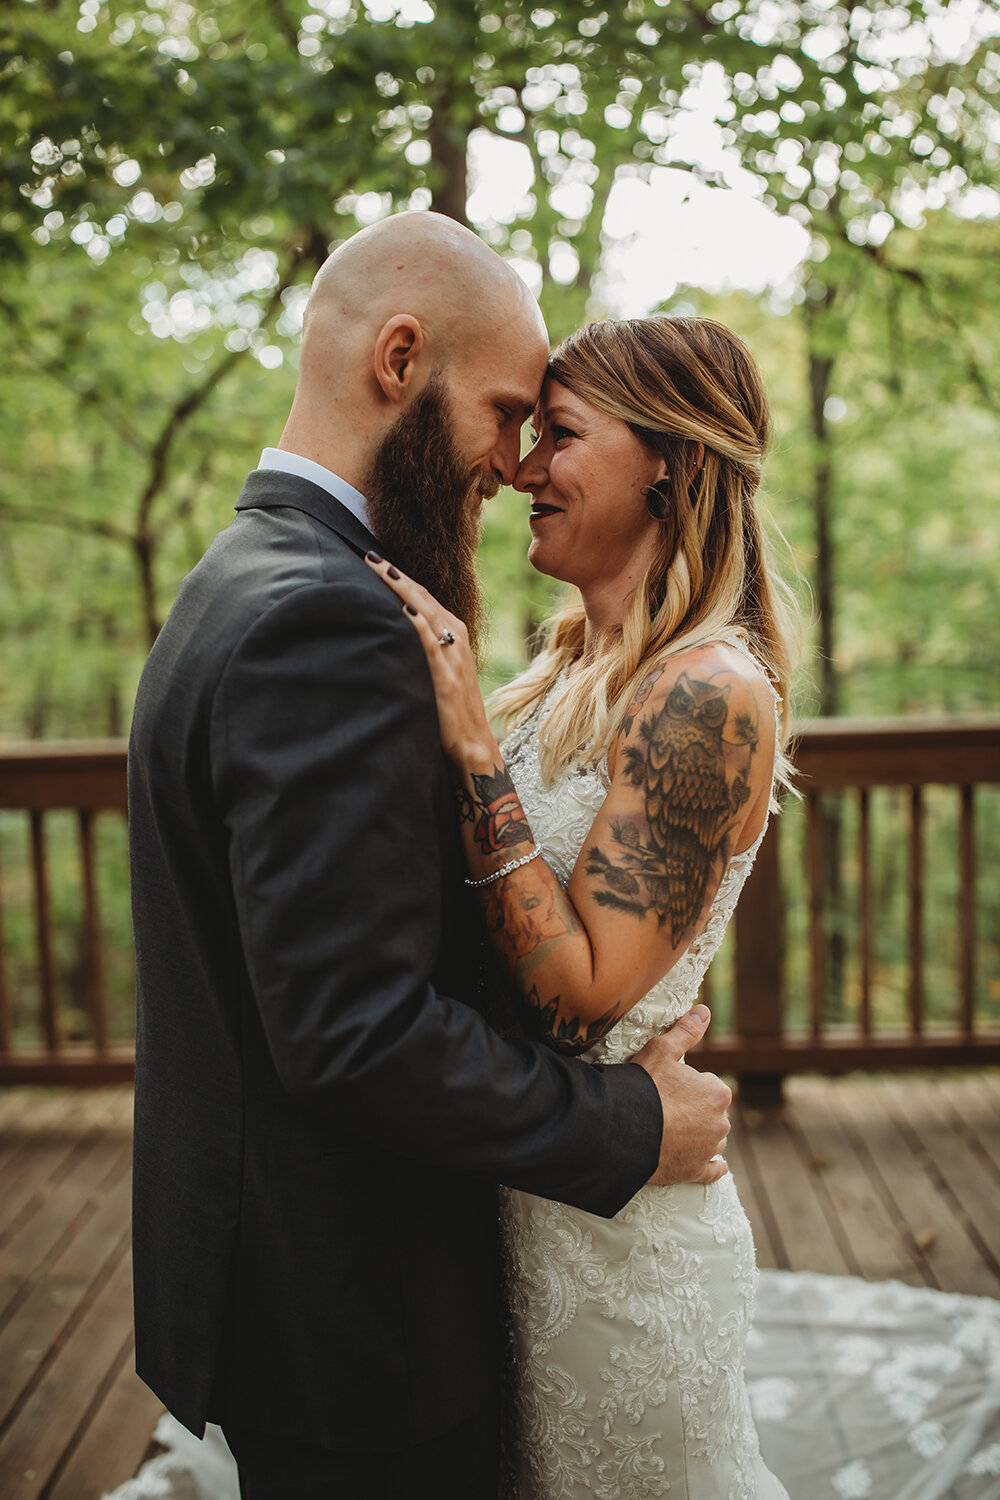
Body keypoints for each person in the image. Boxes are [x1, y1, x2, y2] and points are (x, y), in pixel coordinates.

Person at [127, 213, 735, 1500]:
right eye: (510, 413)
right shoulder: (328, 618)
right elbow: (352, 1032)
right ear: (399, 360)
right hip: (359, 1318)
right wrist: (630, 1122)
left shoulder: (244, 574)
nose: (512, 465)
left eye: (548, 430)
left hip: (302, 1288)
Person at [368, 312, 796, 1497]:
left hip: (623, 1254)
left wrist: (463, 743)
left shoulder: (707, 694)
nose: (520, 469)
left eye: (557, 434)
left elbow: (572, 1002)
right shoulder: (558, 675)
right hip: (513, 1208)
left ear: (674, 462)